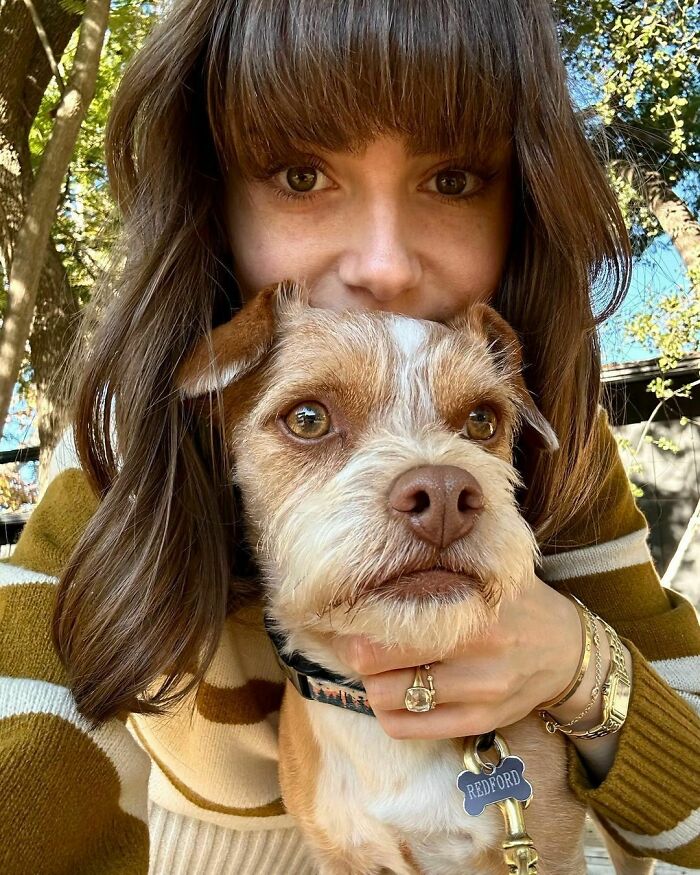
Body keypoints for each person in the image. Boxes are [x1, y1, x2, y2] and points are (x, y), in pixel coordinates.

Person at [1, 0, 698, 872]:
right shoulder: (130, 435)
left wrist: (581, 667)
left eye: (452, 180)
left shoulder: (556, 438)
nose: (385, 264)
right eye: (301, 175)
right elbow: (26, 726)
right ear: (211, 194)